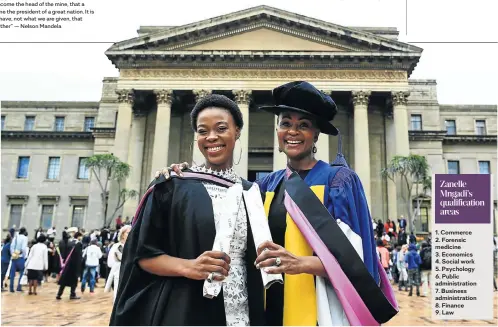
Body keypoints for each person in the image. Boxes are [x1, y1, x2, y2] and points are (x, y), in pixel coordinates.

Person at [159, 82, 398, 326]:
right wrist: (187, 175)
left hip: (322, 310)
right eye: (285, 123)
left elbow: (362, 262)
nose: (292, 131)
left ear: (316, 134)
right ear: (277, 130)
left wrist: (300, 263)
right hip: (269, 307)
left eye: (303, 125)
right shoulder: (266, 187)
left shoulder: (339, 182)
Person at [110, 94, 282, 326]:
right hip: (189, 308)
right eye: (203, 131)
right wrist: (188, 266)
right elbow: (142, 256)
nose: (212, 137)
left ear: (238, 131)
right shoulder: (171, 186)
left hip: (244, 311)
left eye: (221, 128)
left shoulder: (253, 193)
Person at [105, 225, 131, 301]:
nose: (130, 235)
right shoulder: (118, 246)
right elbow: (110, 262)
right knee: (118, 297)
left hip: (129, 274)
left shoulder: (130, 246)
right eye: (128, 233)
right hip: (119, 273)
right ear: (122, 234)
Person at [56, 228, 83, 300]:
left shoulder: (69, 242)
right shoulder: (78, 244)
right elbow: (79, 256)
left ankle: (59, 294)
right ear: (79, 236)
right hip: (74, 265)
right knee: (74, 280)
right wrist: (79, 267)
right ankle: (72, 294)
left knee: (64, 281)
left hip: (67, 264)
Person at [9, 227, 28, 293]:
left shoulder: (16, 237)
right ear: (24, 232)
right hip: (20, 257)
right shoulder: (25, 238)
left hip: (14, 256)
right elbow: (23, 248)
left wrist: (13, 254)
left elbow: (12, 246)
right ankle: (19, 287)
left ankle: (11, 288)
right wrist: (24, 255)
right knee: (22, 272)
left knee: (12, 273)